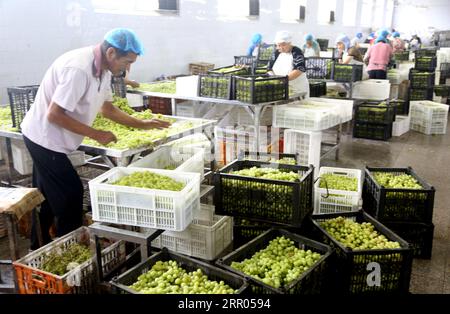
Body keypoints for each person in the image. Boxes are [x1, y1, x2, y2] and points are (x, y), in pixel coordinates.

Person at [21, 28, 171, 250]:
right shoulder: (79, 69)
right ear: (111, 53)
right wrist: (96, 134)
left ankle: (38, 247)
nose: (128, 68)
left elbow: (107, 109)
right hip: (44, 138)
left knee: (46, 198)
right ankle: (69, 254)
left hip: (55, 139)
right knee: (70, 196)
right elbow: (54, 114)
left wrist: (143, 124)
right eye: (127, 62)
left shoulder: (104, 71)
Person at [268, 30, 309, 97]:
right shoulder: (276, 52)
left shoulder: (296, 51)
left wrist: (284, 80)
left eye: (283, 45)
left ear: (289, 43)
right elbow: (269, 68)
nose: (281, 47)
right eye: (278, 45)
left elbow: (299, 69)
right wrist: (274, 79)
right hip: (281, 89)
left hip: (297, 89)